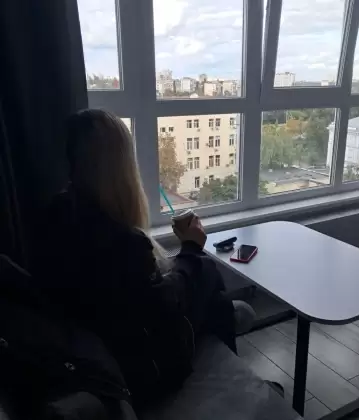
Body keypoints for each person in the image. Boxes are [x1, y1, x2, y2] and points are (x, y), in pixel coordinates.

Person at [35, 109, 254, 410]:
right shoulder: (122, 242)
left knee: (214, 292)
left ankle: (238, 376)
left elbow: (140, 294)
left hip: (97, 346)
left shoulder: (56, 214)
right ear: (118, 166)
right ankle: (241, 393)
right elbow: (164, 307)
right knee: (212, 283)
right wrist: (191, 247)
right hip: (140, 369)